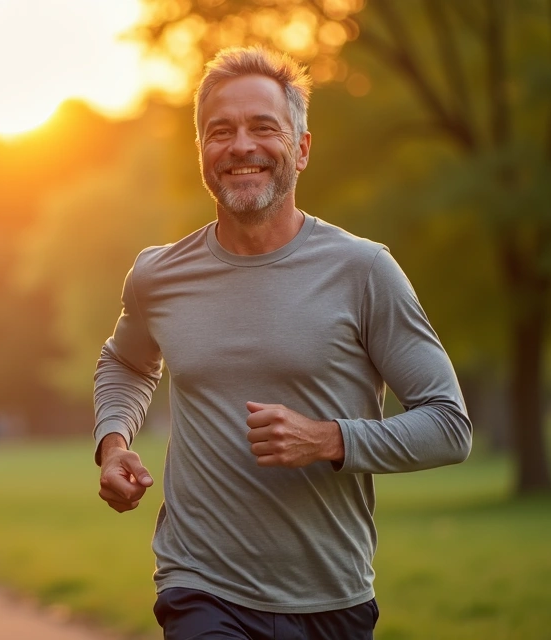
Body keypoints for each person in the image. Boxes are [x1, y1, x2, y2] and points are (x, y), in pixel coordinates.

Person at [93, 46, 472, 640]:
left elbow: (449, 425)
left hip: (331, 595)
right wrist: (113, 444)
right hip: (199, 585)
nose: (241, 145)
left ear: (301, 148)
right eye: (221, 131)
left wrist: (329, 438)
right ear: (202, 153)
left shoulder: (364, 271)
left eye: (263, 127)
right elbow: (126, 362)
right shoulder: (158, 275)